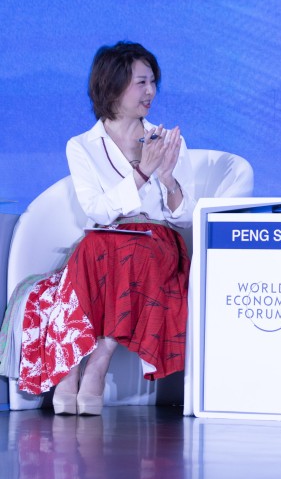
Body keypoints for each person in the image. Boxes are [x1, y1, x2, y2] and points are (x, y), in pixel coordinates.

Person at [0, 41, 195, 415]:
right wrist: (141, 174)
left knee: (128, 250)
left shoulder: (167, 140)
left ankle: (96, 364)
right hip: (104, 241)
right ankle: (71, 370)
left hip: (156, 241)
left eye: (153, 81)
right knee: (93, 248)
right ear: (112, 86)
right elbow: (97, 211)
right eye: (141, 82)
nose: (150, 91)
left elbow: (184, 217)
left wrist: (168, 180)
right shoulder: (82, 146)